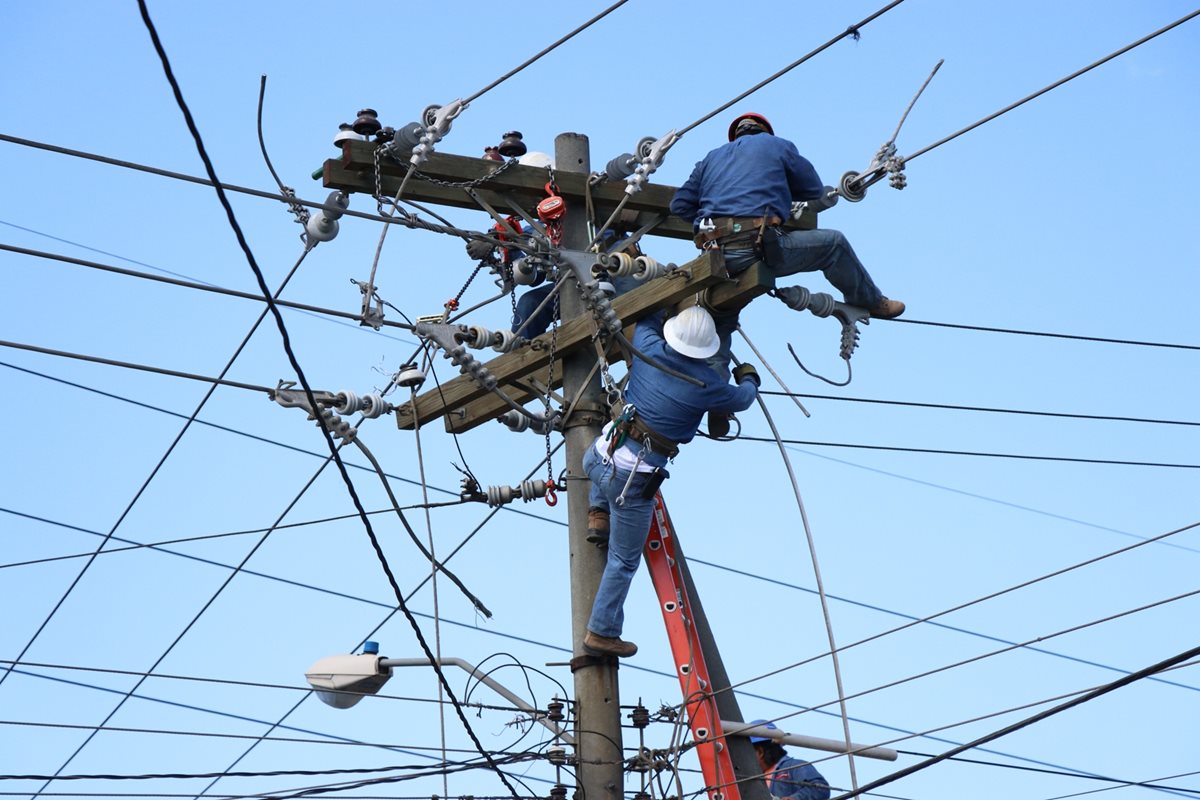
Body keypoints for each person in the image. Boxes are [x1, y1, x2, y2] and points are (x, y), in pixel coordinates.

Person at [669, 111, 905, 383]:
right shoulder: (779, 146)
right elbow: (814, 190)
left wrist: (715, 221)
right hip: (756, 247)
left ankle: (713, 389)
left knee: (721, 315)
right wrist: (774, 190)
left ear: (735, 136)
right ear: (765, 132)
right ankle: (869, 300)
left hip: (714, 257)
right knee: (834, 244)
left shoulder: (710, 159)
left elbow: (679, 206)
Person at [581, 305, 761, 658]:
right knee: (623, 560)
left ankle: (597, 514)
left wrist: (669, 300)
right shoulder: (707, 385)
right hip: (629, 483)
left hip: (596, 457)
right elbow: (744, 398)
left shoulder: (647, 347)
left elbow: (648, 315)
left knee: (608, 470)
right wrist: (750, 376)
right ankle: (601, 632)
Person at [749, 720, 831, 800]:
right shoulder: (751, 780)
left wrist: (795, 798)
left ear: (760, 752)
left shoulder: (792, 767)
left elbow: (821, 788)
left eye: (747, 753)